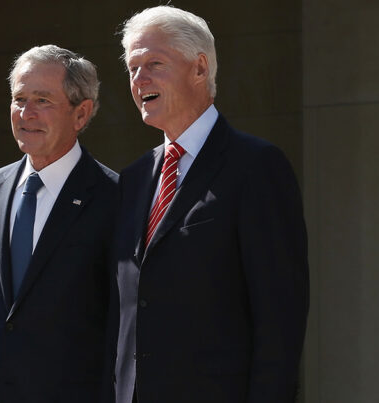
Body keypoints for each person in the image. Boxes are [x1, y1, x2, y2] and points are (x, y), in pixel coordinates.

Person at [112, 6, 309, 403]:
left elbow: (279, 320)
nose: (139, 79)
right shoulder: (132, 180)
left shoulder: (255, 166)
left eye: (154, 63)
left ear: (200, 68)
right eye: (132, 68)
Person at [0, 45, 118, 403]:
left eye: (42, 100)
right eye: (18, 99)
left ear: (81, 114)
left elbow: (119, 329)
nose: (25, 113)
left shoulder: (116, 198)